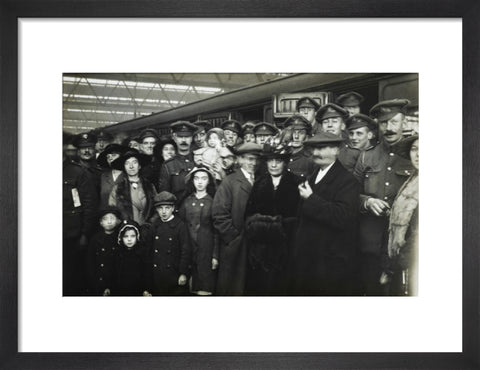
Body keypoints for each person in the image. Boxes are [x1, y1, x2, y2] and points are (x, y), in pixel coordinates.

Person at [353, 99, 415, 295]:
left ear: (404, 123)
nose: (388, 128)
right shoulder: (365, 156)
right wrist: (367, 202)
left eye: (394, 122)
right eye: (383, 123)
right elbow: (350, 193)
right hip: (370, 240)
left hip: (401, 242)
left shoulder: (414, 154)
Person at [290, 131, 360, 296]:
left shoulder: (347, 181)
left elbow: (342, 216)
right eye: (314, 149)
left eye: (322, 148)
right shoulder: (313, 176)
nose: (316, 153)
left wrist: (311, 198)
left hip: (329, 262)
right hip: (309, 260)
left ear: (336, 150)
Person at [244, 144, 300, 295]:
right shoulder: (259, 183)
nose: (274, 165)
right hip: (260, 250)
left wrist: (280, 226)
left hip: (286, 249)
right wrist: (264, 226)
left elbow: (300, 217)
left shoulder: (296, 183)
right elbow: (249, 215)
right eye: (270, 161)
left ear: (286, 162)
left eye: (278, 161)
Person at [212, 142, 263, 295]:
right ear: (239, 160)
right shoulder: (230, 181)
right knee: (234, 287)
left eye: (256, 160)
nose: (253, 163)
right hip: (236, 246)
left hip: (257, 244)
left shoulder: (263, 179)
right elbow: (219, 214)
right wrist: (234, 238)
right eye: (249, 159)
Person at [382, 136, 419, 296]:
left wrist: (392, 268)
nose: (418, 155)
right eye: (415, 149)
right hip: (403, 262)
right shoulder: (414, 179)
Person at [63, 135, 98, 296]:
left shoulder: (78, 172)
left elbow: (89, 204)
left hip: (77, 231)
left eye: (90, 147)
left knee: (77, 270)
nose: (86, 150)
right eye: (83, 147)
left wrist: (84, 233)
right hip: (68, 230)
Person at [179, 167, 219, 295]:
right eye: (196, 178)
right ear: (192, 181)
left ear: (209, 181)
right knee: (188, 286)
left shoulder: (213, 202)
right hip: (188, 247)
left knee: (204, 287)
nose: (200, 182)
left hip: (206, 248)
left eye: (204, 178)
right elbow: (181, 225)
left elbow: (217, 231)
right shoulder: (187, 201)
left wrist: (215, 255)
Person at [144, 191, 191, 296]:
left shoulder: (180, 226)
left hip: (174, 276)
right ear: (156, 210)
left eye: (167, 208)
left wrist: (183, 273)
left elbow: (186, 252)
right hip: (157, 276)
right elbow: (149, 254)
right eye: (160, 208)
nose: (164, 212)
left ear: (173, 208)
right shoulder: (154, 226)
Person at [109, 149, 157, 226]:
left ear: (139, 166)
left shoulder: (149, 186)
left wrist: (150, 223)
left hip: (147, 230)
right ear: (124, 167)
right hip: (127, 231)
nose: (131, 166)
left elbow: (157, 208)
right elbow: (112, 210)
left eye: (134, 162)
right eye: (127, 163)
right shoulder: (118, 188)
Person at [157, 121, 197, 204]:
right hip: (178, 211)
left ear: (192, 138)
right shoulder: (168, 165)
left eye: (187, 136)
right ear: (174, 138)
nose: (183, 140)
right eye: (180, 136)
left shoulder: (199, 160)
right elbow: (164, 196)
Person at [86, 207, 122, 296]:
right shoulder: (95, 239)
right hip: (100, 279)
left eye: (112, 218)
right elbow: (91, 261)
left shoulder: (120, 238)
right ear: (101, 223)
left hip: (115, 279)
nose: (109, 222)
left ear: (117, 221)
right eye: (105, 219)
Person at [114, 220, 151, 296]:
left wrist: (146, 289)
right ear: (121, 238)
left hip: (138, 291)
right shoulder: (118, 254)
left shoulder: (142, 253)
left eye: (133, 236)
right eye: (126, 236)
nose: (129, 239)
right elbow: (114, 275)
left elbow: (147, 273)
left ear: (137, 236)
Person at [282, 114, 314, 179]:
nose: (296, 137)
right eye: (293, 132)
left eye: (301, 133)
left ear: (307, 137)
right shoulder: (281, 156)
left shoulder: (311, 159)